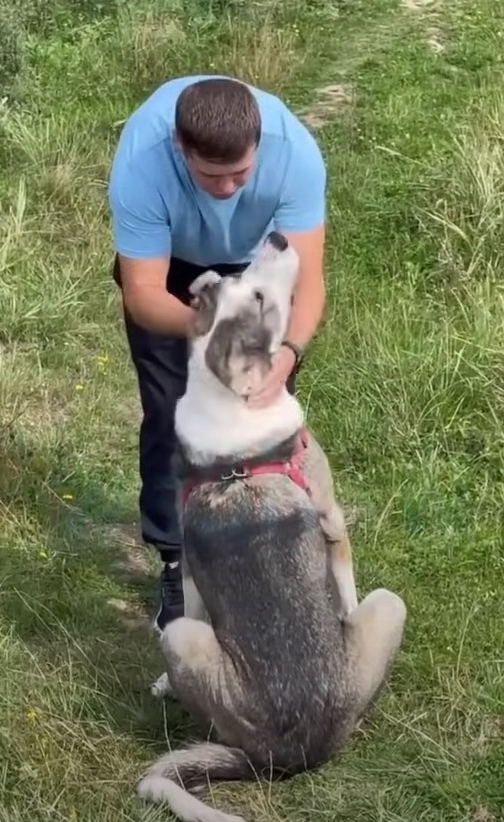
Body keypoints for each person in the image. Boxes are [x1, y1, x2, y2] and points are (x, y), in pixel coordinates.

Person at [108, 75, 328, 633]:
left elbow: (308, 281)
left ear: (259, 147)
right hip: (174, 281)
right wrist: (208, 332)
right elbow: (142, 293)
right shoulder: (143, 159)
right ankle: (176, 559)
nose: (229, 188)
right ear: (182, 150)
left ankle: (260, 553)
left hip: (255, 270)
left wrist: (288, 355)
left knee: (255, 424)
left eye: (242, 174)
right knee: (172, 417)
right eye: (212, 176)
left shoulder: (293, 150)